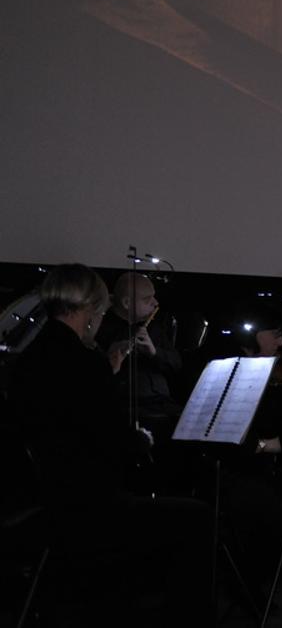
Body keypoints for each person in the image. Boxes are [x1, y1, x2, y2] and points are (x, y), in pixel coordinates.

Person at [11, 264, 212, 625]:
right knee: (196, 516)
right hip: (86, 507)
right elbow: (117, 441)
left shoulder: (29, 357)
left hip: (45, 498)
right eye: (101, 311)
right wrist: (140, 439)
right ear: (89, 309)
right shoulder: (83, 362)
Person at [95, 272, 183, 434]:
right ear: (127, 303)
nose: (155, 303)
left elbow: (177, 364)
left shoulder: (154, 328)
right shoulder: (102, 328)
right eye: (147, 299)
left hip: (163, 404)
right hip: (130, 408)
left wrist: (154, 352)